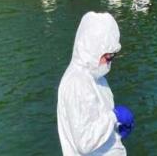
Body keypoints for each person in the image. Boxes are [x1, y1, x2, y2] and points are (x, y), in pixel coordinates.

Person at [57, 12, 134, 155]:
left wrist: (116, 129)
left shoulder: (95, 75)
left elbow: (97, 120)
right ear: (92, 48)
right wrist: (114, 117)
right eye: (107, 56)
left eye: (113, 56)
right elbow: (85, 141)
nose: (109, 61)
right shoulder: (77, 83)